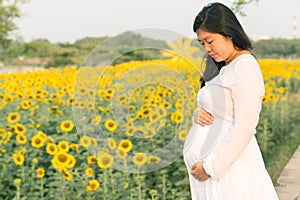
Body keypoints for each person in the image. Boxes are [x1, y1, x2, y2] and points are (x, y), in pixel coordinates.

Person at [183, 2, 279, 199]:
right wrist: (199, 114)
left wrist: (210, 167)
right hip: (216, 174)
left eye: (210, 41)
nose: (207, 48)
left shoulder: (245, 67)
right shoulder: (226, 66)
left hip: (230, 171)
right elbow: (222, 111)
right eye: (202, 43)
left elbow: (244, 126)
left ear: (229, 34)